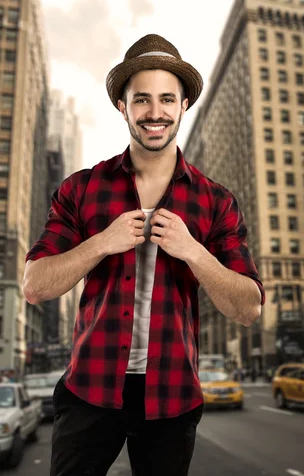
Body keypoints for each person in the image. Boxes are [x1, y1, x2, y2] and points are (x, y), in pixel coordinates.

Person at [23, 33, 265, 476]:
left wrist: (193, 251)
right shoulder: (81, 188)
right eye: (142, 100)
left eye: (167, 99)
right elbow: (35, 285)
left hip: (171, 396)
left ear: (184, 105)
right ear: (123, 106)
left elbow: (248, 307)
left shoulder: (216, 202)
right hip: (89, 390)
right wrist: (101, 242)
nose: (155, 113)